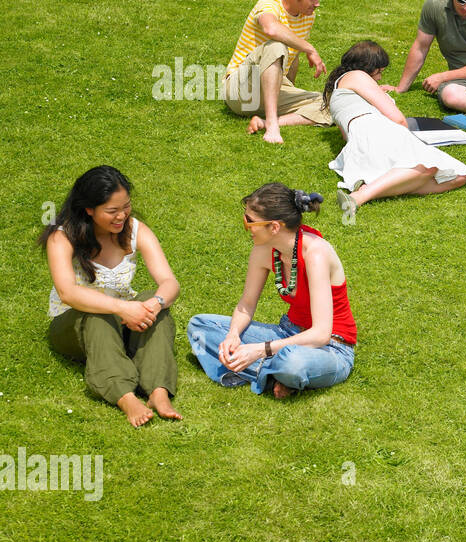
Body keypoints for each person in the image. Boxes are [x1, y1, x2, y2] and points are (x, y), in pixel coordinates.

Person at [41, 166, 181, 427]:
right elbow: (68, 293)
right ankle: (125, 396)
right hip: (73, 323)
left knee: (154, 300)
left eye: (125, 207)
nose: (122, 216)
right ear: (89, 209)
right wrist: (121, 308)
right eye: (112, 211)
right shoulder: (62, 236)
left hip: (123, 319)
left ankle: (158, 390)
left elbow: (169, 282)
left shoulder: (136, 229)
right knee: (98, 314)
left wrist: (154, 304)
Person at [186, 184, 356, 399]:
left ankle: (264, 371)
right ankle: (274, 376)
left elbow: (321, 334)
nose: (246, 227)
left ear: (274, 227)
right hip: (288, 333)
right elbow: (246, 305)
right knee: (199, 327)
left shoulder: (316, 254)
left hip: (331, 347)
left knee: (292, 363)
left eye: (250, 221)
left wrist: (259, 350)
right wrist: (233, 335)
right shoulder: (263, 250)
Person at [324, 40, 466, 217]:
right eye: (379, 71)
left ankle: (378, 186)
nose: (379, 78)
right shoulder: (358, 76)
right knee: (428, 168)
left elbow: (345, 135)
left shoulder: (341, 90)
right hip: (378, 130)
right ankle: (360, 196)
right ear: (368, 66)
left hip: (363, 139)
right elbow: (397, 119)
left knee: (460, 176)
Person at [222, 0, 331, 144]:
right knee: (277, 46)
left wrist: (291, 89)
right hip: (239, 91)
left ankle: (265, 122)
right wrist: (308, 47)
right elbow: (271, 29)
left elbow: (292, 56)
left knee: (330, 105)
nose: (317, 4)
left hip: (267, 94)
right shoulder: (268, 4)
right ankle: (273, 126)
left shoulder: (308, 17)